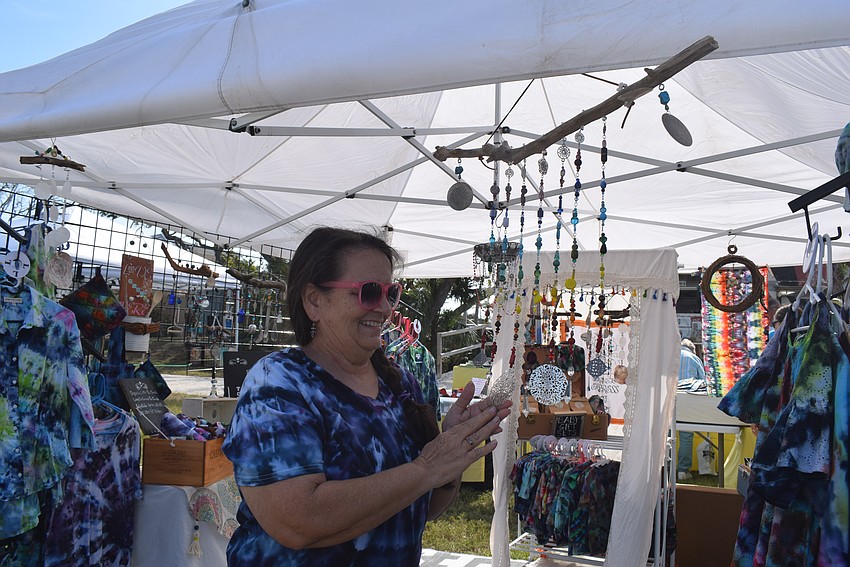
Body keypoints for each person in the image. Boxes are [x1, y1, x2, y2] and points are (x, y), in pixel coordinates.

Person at [221, 227, 512, 566]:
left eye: (391, 293)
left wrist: (450, 453)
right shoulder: (278, 384)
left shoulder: (401, 384)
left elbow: (424, 508)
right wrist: (426, 468)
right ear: (314, 300)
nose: (385, 308)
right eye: (369, 292)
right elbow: (298, 521)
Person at [676, 339, 706, 481]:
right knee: (686, 436)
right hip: (688, 402)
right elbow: (704, 381)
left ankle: (666, 467)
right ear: (692, 349)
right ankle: (683, 471)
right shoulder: (694, 358)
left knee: (667, 435)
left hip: (668, 399)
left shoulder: (670, 356)